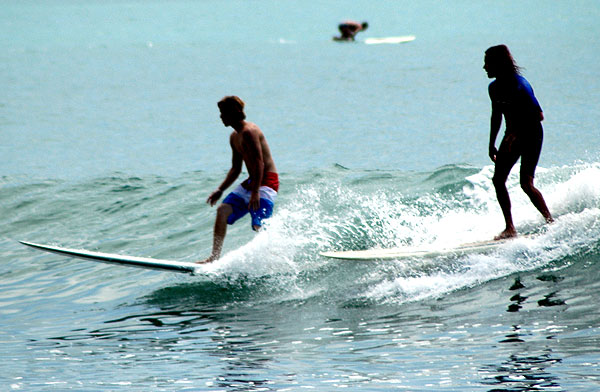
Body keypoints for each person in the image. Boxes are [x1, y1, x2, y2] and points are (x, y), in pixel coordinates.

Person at [484, 45, 553, 240]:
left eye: (487, 62)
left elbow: (538, 116)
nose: (484, 67)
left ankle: (550, 221)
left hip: (532, 134)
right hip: (511, 135)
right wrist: (491, 143)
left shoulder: (520, 86)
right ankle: (510, 228)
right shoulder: (494, 88)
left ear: (498, 64)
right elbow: (496, 115)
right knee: (498, 180)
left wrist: (515, 133)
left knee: (526, 183)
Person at [198, 96, 279, 263]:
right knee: (223, 210)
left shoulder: (250, 132)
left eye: (223, 113)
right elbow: (236, 168)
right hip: (253, 180)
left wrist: (255, 192)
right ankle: (214, 257)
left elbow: (259, 163)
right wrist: (220, 189)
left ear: (232, 113)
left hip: (267, 181)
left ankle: (274, 258)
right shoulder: (234, 137)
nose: (220, 117)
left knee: (259, 223)